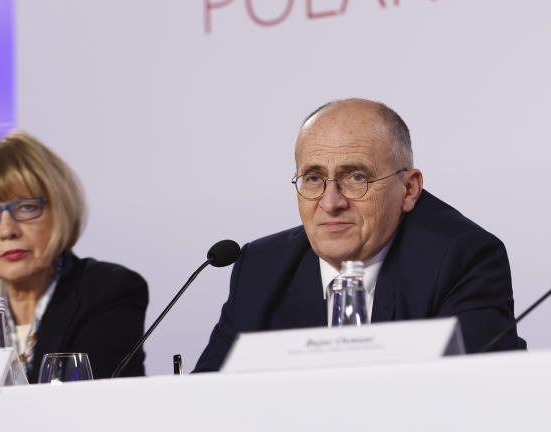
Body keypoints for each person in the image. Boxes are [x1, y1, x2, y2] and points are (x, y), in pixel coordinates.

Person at [194, 98, 522, 371]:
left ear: (408, 189)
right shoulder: (262, 268)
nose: (331, 202)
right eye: (312, 178)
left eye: (355, 177)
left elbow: (479, 396)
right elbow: (203, 399)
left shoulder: (461, 257)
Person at [0, 131, 149, 381]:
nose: (7, 230)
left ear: (60, 212)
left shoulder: (107, 291)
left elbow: (91, 404)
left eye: (26, 207)